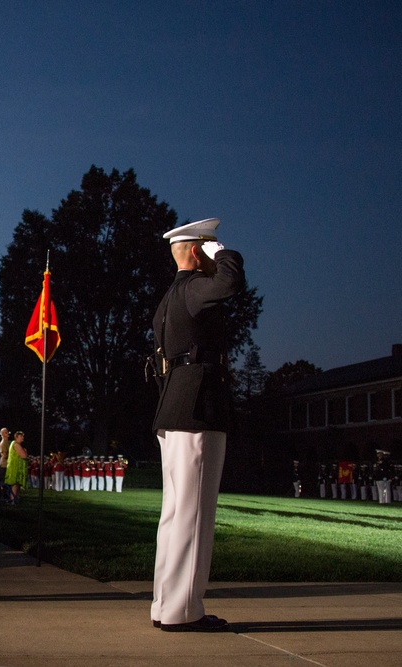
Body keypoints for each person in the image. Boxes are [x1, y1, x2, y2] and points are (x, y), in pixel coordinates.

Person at [150, 218, 244, 633]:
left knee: (174, 513)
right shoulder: (191, 290)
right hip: (197, 405)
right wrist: (223, 252)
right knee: (193, 513)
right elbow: (229, 283)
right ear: (196, 251)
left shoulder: (170, 296)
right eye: (205, 248)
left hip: (174, 405)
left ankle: (166, 604)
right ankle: (184, 611)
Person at [4, 430, 28, 500]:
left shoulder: (14, 444)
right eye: (21, 436)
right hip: (15, 467)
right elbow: (24, 456)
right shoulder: (16, 444)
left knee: (16, 484)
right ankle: (13, 499)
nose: (23, 437)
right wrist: (25, 451)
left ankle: (15, 498)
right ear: (16, 437)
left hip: (15, 466)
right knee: (15, 483)